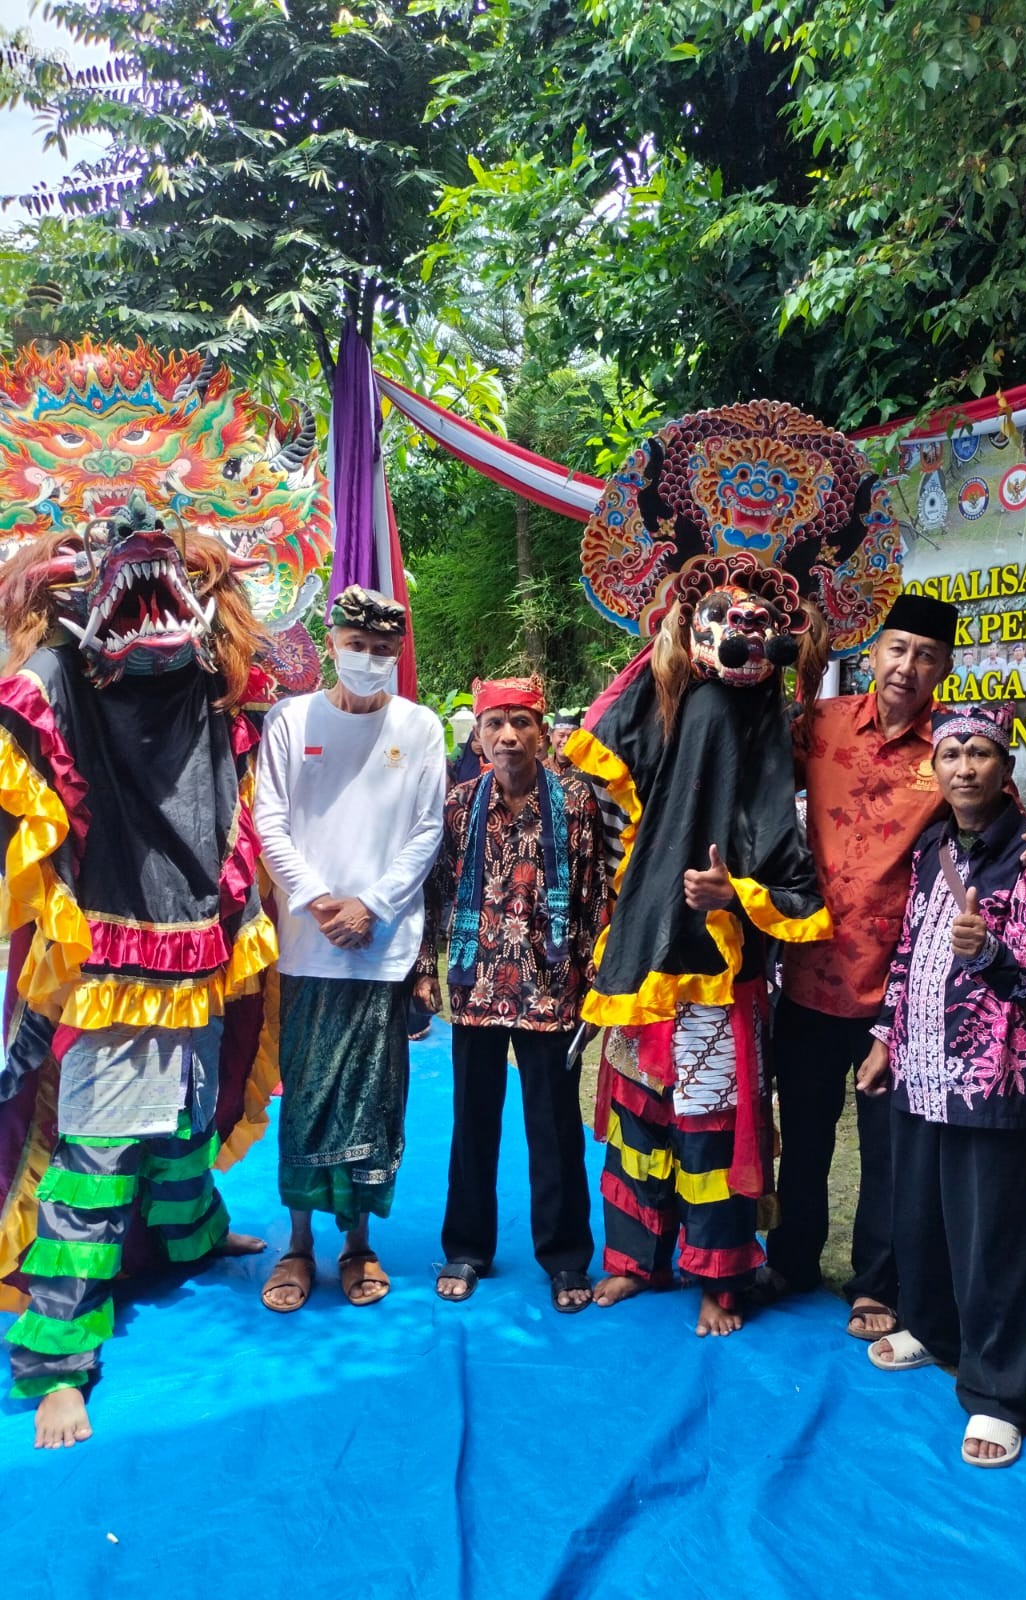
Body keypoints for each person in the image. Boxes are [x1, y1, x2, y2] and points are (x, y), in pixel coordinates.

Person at [0, 496, 278, 1448]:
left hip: (198, 937)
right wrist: (27, 606)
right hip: (113, 950)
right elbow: (17, 704)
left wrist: (217, 574)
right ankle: (59, 1365)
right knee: (102, 1147)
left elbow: (268, 670)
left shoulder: (212, 680)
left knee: (190, 1112)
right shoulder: (67, 676)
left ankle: (192, 1235)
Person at [762, 592, 1026, 1339]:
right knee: (804, 1133)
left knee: (893, 1155)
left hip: (903, 998)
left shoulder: (954, 748)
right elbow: (747, 775)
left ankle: (880, 1283)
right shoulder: (823, 726)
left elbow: (1017, 833)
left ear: (944, 666)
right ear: (874, 653)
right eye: (897, 649)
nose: (909, 666)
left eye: (927, 655)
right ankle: (792, 1259)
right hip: (809, 973)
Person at [569, 556, 832, 1337]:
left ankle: (720, 1277)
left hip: (720, 965)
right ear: (694, 629)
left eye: (759, 624)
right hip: (649, 945)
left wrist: (736, 895)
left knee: (713, 1122)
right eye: (723, 620)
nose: (741, 636)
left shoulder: (772, 724)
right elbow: (599, 734)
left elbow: (790, 867)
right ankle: (632, 1260)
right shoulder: (671, 701)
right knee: (642, 1116)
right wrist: (666, 627)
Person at [856, 702, 1026, 1468]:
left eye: (981, 753)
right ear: (936, 769)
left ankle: (996, 1395)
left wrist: (987, 953)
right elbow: (907, 950)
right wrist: (887, 1036)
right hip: (921, 1064)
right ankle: (933, 1326)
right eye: (952, 755)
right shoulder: (931, 850)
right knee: (921, 1216)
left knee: (993, 1236)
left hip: (994, 1075)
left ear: (1006, 768)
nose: (964, 768)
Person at [254, 585, 446, 1312]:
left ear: (397, 654)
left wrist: (373, 905)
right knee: (304, 1096)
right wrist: (317, 900)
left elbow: (427, 829)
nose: (367, 660)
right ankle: (299, 1245)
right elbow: (270, 819)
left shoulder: (421, 727)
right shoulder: (291, 719)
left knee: (375, 1100)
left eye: (381, 650)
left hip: (382, 946)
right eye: (356, 647)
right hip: (307, 943)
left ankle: (358, 1243)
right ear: (331, 645)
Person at [416, 675, 605, 1313]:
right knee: (472, 1123)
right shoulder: (457, 806)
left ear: (544, 734)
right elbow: (434, 893)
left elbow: (593, 899)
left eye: (522, 722)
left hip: (552, 992)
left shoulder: (576, 802)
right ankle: (467, 1248)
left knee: (556, 1131)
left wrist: (596, 985)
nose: (508, 736)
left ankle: (565, 1258)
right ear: (476, 737)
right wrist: (423, 970)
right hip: (477, 987)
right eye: (496, 724)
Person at [546, 708, 581, 777]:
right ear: (551, 737)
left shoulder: (586, 770)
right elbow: (551, 750)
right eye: (561, 735)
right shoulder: (543, 768)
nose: (565, 741)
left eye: (571, 736)